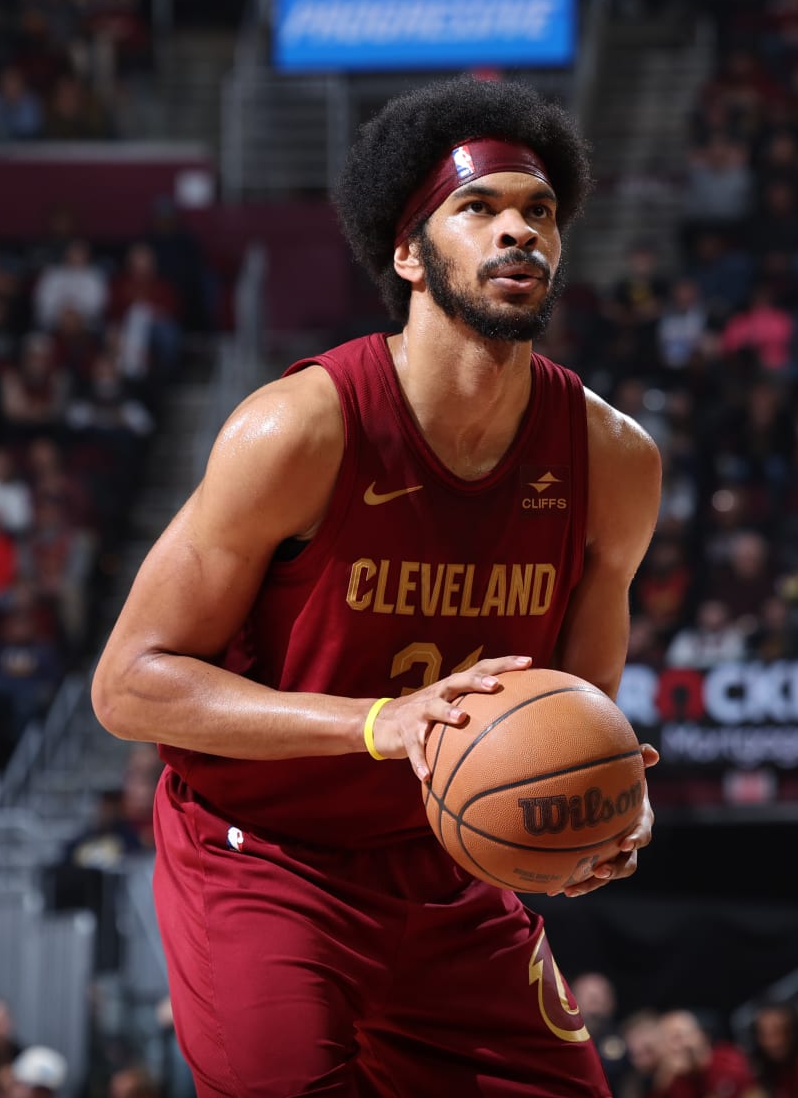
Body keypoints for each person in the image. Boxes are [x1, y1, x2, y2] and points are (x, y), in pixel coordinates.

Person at [93, 76, 661, 1095]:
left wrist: (607, 800)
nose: (518, 231)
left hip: (453, 865)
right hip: (265, 859)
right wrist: (376, 724)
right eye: (478, 209)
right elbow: (129, 685)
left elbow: (581, 703)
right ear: (408, 254)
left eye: (539, 212)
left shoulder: (612, 458)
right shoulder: (298, 428)